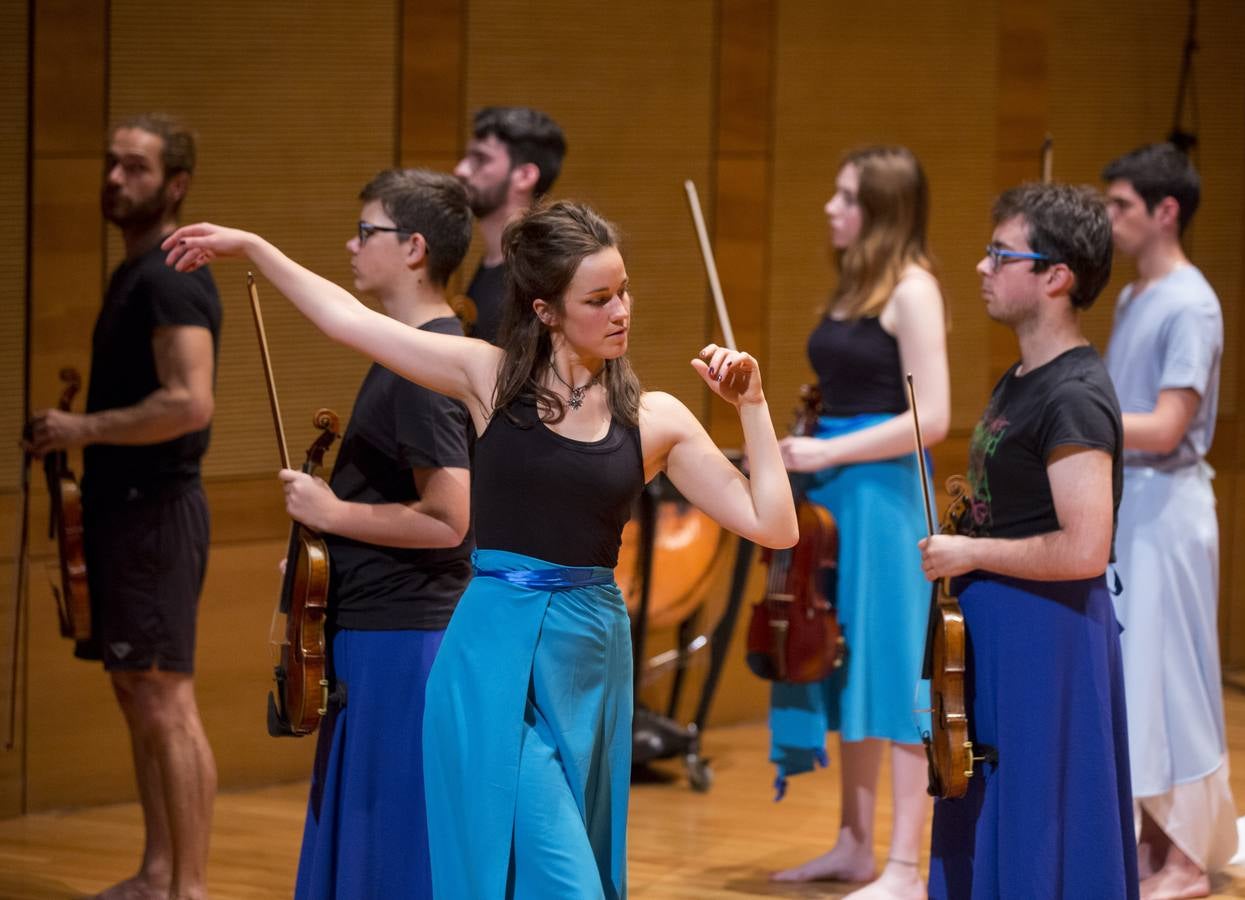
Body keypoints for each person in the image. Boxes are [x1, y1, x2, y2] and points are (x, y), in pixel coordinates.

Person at [161, 200, 798, 899]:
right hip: (488, 657)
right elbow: (350, 322)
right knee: (562, 882)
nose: (620, 310)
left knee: (562, 863)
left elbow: (774, 526)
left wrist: (753, 406)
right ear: (546, 310)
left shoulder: (656, 418)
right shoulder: (490, 381)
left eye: (623, 291)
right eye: (597, 298)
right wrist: (254, 243)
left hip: (590, 654)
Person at [920, 182, 1137, 897]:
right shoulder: (1020, 377)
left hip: (1047, 642)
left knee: (1037, 825)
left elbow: (1083, 547)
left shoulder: (1072, 394)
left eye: (998, 253)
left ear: (1054, 276)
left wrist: (972, 552)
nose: (981, 267)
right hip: (1003, 634)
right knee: (992, 820)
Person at [26, 114, 220, 900]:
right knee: (135, 689)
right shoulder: (134, 271)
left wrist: (81, 427)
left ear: (175, 185)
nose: (114, 178)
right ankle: (158, 873)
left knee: (166, 697)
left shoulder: (172, 275)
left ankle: (191, 889)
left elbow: (188, 402)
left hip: (156, 512)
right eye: (110, 164)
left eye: (134, 167)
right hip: (120, 511)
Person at [769, 146, 949, 900]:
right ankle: (852, 845)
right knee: (841, 662)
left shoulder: (912, 289)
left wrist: (826, 446)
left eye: (844, 197)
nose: (828, 208)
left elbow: (931, 417)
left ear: (879, 208)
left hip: (882, 499)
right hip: (836, 491)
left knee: (888, 667)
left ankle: (904, 867)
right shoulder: (855, 285)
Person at [290, 169, 474, 899]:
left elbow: (449, 516)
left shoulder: (427, 369)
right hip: (383, 629)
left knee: (392, 847)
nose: (352, 244)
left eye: (366, 231)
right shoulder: (412, 354)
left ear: (414, 249)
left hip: (405, 638)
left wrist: (331, 513)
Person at [1102, 143, 1236, 899]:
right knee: (1139, 679)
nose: (1110, 218)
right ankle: (1155, 843)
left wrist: (1077, 416)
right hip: (1130, 505)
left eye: (1121, 206)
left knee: (1174, 678)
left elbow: (1165, 423)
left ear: (1165, 211)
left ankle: (1186, 860)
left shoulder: (1191, 301)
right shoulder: (1129, 298)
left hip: (1169, 508)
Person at [453, 106, 566, 344]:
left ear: (524, 176)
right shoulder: (496, 259)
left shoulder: (534, 275)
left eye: (480, 159)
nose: (461, 169)